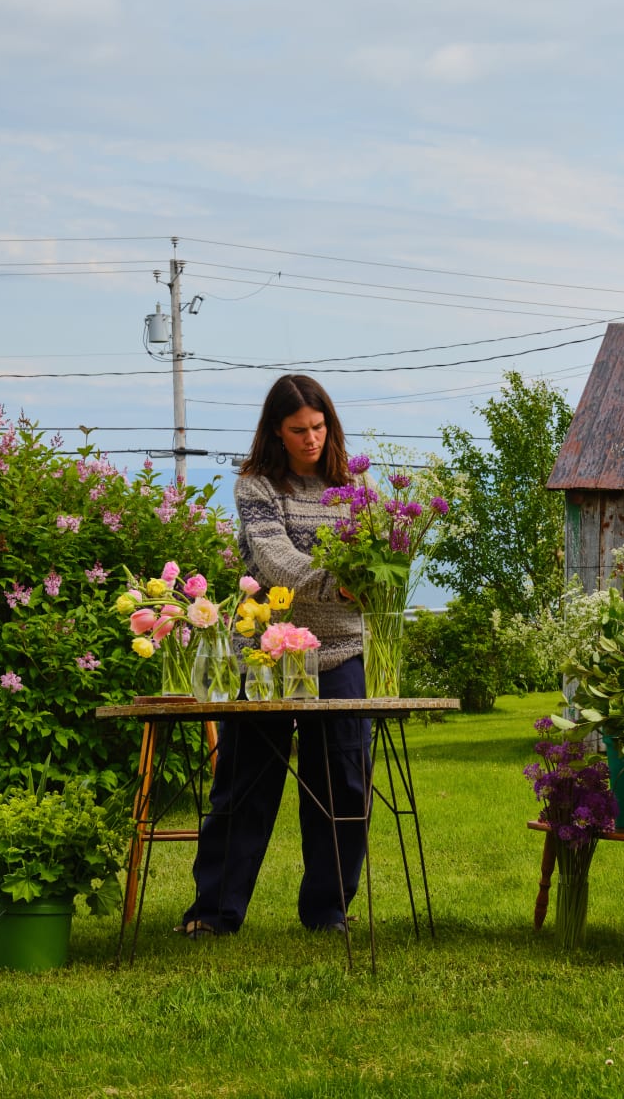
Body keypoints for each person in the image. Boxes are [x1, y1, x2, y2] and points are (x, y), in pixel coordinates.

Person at [177, 374, 370, 937]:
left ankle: (328, 911)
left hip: (342, 652)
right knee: (245, 785)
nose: (310, 439)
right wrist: (338, 582)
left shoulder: (353, 487)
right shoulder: (257, 485)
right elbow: (274, 558)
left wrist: (371, 576)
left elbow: (379, 549)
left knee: (345, 784)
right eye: (297, 430)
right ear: (275, 432)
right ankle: (214, 913)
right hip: (265, 651)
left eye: (318, 427)